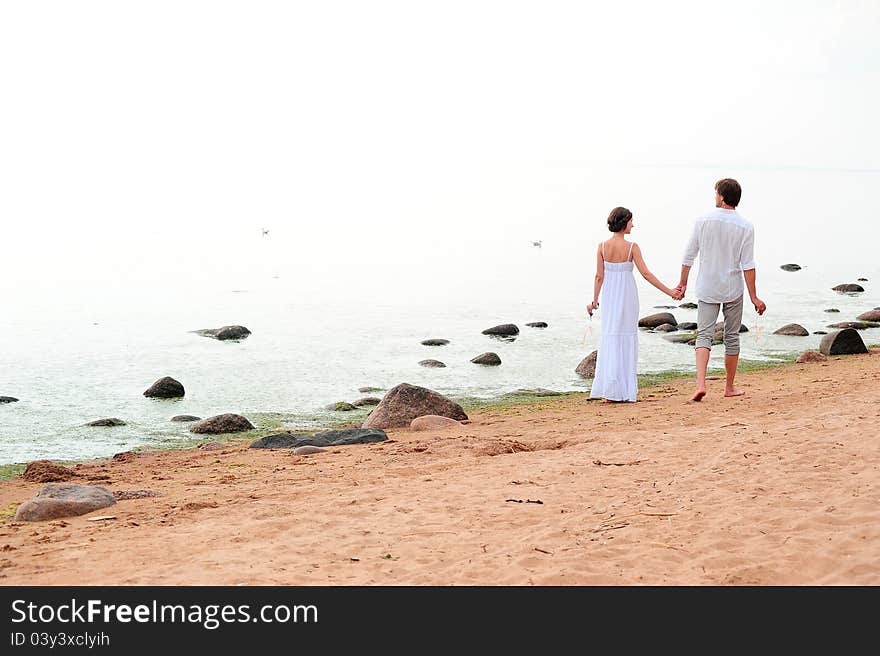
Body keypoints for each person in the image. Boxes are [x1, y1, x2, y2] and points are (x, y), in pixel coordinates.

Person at [675, 178, 767, 402]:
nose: (715, 196)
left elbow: (688, 255)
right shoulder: (746, 226)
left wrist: (682, 283)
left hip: (707, 286)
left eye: (716, 193)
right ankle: (729, 387)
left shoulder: (702, 220)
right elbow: (748, 264)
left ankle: (700, 384)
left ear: (722, 196)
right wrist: (754, 296)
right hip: (733, 288)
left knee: (704, 335)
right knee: (732, 336)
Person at [588, 207, 682, 403]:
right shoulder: (632, 247)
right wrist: (670, 291)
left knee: (611, 337)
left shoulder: (602, 247)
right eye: (631, 221)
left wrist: (595, 301)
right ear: (624, 223)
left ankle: (610, 391)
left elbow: (599, 277)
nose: (633, 224)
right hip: (627, 296)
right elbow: (646, 274)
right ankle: (621, 391)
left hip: (610, 297)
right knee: (625, 338)